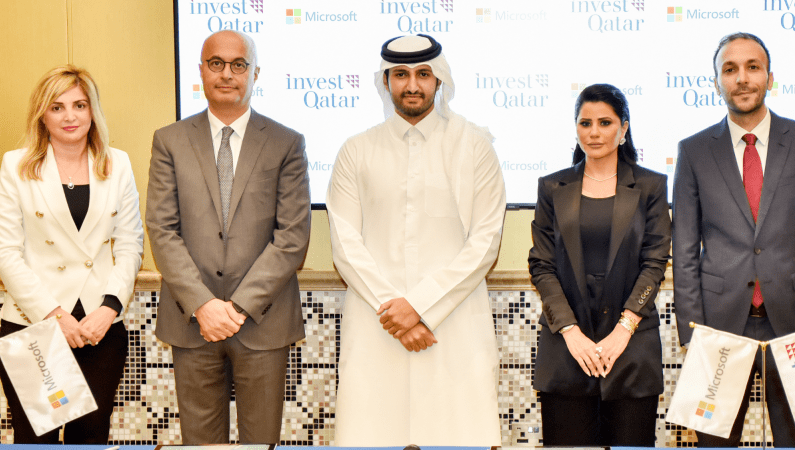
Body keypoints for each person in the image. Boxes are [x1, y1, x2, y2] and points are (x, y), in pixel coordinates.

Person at [326, 34, 506, 446]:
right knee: (372, 436)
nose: (412, 85)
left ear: (439, 80)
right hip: (377, 326)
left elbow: (485, 242)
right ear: (385, 80)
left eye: (423, 74)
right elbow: (345, 244)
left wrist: (421, 307)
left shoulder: (475, 148)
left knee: (458, 438)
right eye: (401, 75)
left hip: (453, 327)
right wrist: (396, 313)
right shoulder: (356, 150)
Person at [146, 30, 310, 444]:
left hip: (263, 320)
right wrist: (204, 305)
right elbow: (162, 229)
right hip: (192, 321)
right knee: (200, 446)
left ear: (256, 73)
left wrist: (236, 308)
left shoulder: (286, 143)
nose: (227, 74)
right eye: (216, 63)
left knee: (261, 443)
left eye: (239, 65)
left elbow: (292, 237)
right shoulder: (169, 140)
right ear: (201, 70)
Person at [0, 65, 144, 443]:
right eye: (57, 107)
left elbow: (130, 244)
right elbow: (5, 251)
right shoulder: (16, 165)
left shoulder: (118, 163)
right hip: (35, 324)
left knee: (89, 438)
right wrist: (54, 315)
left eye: (79, 105)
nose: (70, 116)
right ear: (42, 115)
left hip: (98, 327)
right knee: (37, 441)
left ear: (93, 111)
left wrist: (109, 308)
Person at [528, 84, 671, 446]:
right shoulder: (552, 187)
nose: (594, 132)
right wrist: (571, 332)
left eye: (605, 123)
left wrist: (624, 329)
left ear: (623, 129)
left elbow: (655, 262)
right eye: (585, 123)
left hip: (632, 349)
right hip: (566, 351)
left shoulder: (651, 185)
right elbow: (542, 265)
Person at [673, 32, 795, 446]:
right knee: (714, 442)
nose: (742, 78)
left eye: (752, 67)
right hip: (718, 329)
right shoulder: (693, 151)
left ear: (770, 78)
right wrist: (693, 333)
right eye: (730, 69)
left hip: (791, 326)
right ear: (716, 83)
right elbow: (684, 250)